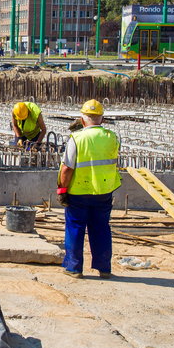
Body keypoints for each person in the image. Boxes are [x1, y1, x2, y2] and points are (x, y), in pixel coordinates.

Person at [57, 99, 121, 279]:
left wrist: (62, 190)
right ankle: (104, 268)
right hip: (104, 191)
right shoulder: (112, 137)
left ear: (82, 119)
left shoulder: (76, 138)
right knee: (101, 228)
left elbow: (67, 169)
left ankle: (74, 268)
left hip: (79, 192)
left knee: (75, 228)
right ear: (102, 119)